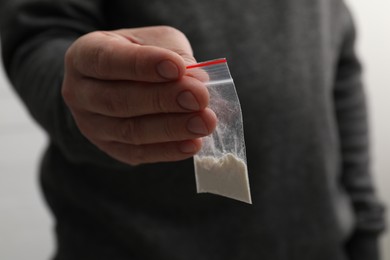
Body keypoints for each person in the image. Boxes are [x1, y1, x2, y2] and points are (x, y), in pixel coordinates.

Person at [0, 0, 386, 259]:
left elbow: (339, 66)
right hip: (136, 244)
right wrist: (89, 100)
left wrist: (365, 227)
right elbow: (39, 36)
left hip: (318, 243)